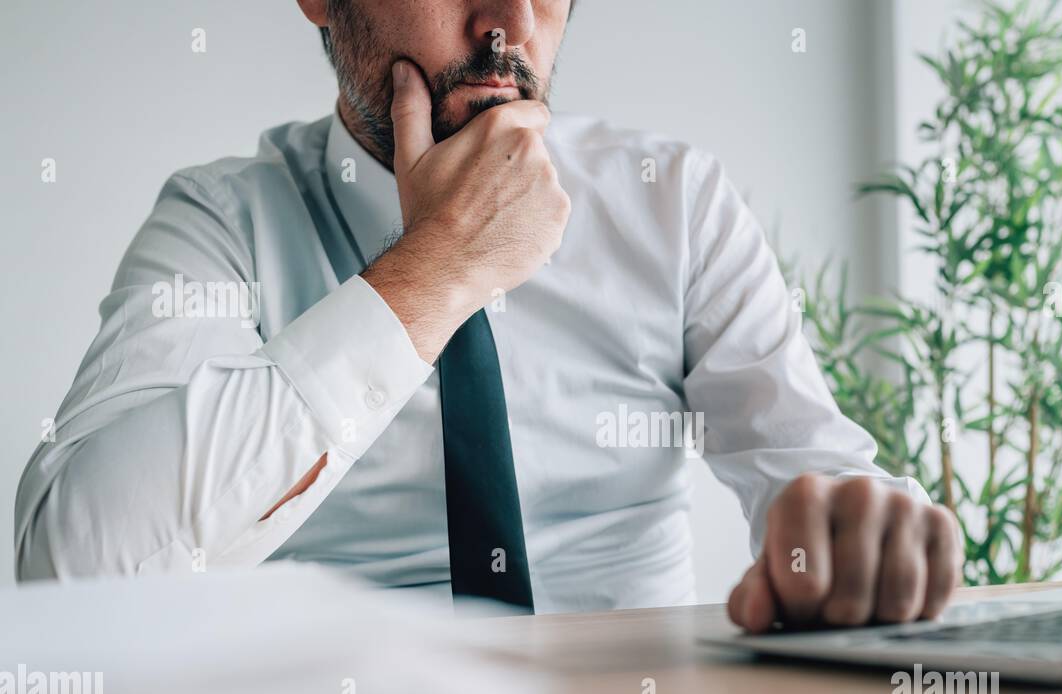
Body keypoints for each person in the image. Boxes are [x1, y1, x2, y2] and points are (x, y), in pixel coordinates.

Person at [14, 0, 961, 630]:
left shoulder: (672, 200)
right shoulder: (223, 223)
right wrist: (435, 273)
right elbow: (78, 569)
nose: (508, 22)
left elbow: (822, 479)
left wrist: (854, 534)